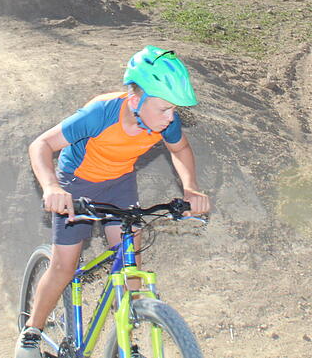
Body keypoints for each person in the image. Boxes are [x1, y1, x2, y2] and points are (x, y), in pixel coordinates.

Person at [14, 46, 211, 358]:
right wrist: (51, 187)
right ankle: (31, 333)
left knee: (129, 261)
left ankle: (124, 343)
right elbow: (41, 144)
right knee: (65, 266)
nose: (172, 117)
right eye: (164, 110)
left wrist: (191, 189)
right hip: (75, 183)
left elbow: (180, 150)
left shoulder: (164, 121)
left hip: (119, 183)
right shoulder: (101, 113)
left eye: (174, 110)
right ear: (136, 101)